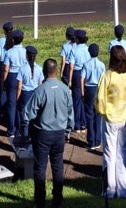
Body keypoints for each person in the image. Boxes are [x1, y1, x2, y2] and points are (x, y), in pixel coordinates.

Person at [22, 57, 74, 208]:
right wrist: (68, 130)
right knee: (58, 167)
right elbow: (71, 113)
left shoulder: (41, 90)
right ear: (56, 71)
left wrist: (23, 126)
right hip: (59, 134)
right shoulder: (65, 89)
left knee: (40, 168)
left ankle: (40, 202)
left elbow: (27, 113)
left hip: (43, 135)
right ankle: (57, 200)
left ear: (44, 72)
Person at [95, 45, 126, 199]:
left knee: (109, 154)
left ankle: (109, 189)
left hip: (110, 119)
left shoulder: (107, 76)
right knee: (123, 154)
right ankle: (122, 189)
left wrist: (102, 112)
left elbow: (100, 99)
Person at [1, 28, 27, 138]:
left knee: (11, 104)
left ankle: (11, 130)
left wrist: (4, 80)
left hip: (12, 76)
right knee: (21, 103)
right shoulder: (25, 51)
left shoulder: (9, 52)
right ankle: (21, 128)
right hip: (22, 76)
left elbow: (6, 69)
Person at [17, 45, 44, 143]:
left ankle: (24, 140)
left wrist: (17, 98)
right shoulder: (39, 69)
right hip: (35, 94)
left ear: (27, 56)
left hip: (25, 94)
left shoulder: (22, 69)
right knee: (35, 117)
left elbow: (19, 86)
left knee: (25, 118)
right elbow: (40, 85)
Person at [82, 42, 106, 150]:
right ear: (98, 53)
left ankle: (91, 140)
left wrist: (82, 91)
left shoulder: (86, 64)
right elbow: (104, 79)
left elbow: (82, 79)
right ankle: (98, 140)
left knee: (89, 115)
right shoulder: (102, 65)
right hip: (99, 89)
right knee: (98, 115)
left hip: (89, 89)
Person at [69, 29, 90, 133]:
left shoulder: (74, 50)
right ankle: (84, 123)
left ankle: (77, 124)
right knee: (85, 99)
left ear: (77, 39)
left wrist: (69, 80)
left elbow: (71, 67)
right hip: (86, 74)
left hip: (77, 74)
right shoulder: (87, 49)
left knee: (76, 100)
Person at [0, 21, 15, 109]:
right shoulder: (15, 39)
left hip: (2, 66)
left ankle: (2, 109)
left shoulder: (1, 40)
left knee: (2, 88)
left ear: (4, 31)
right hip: (13, 66)